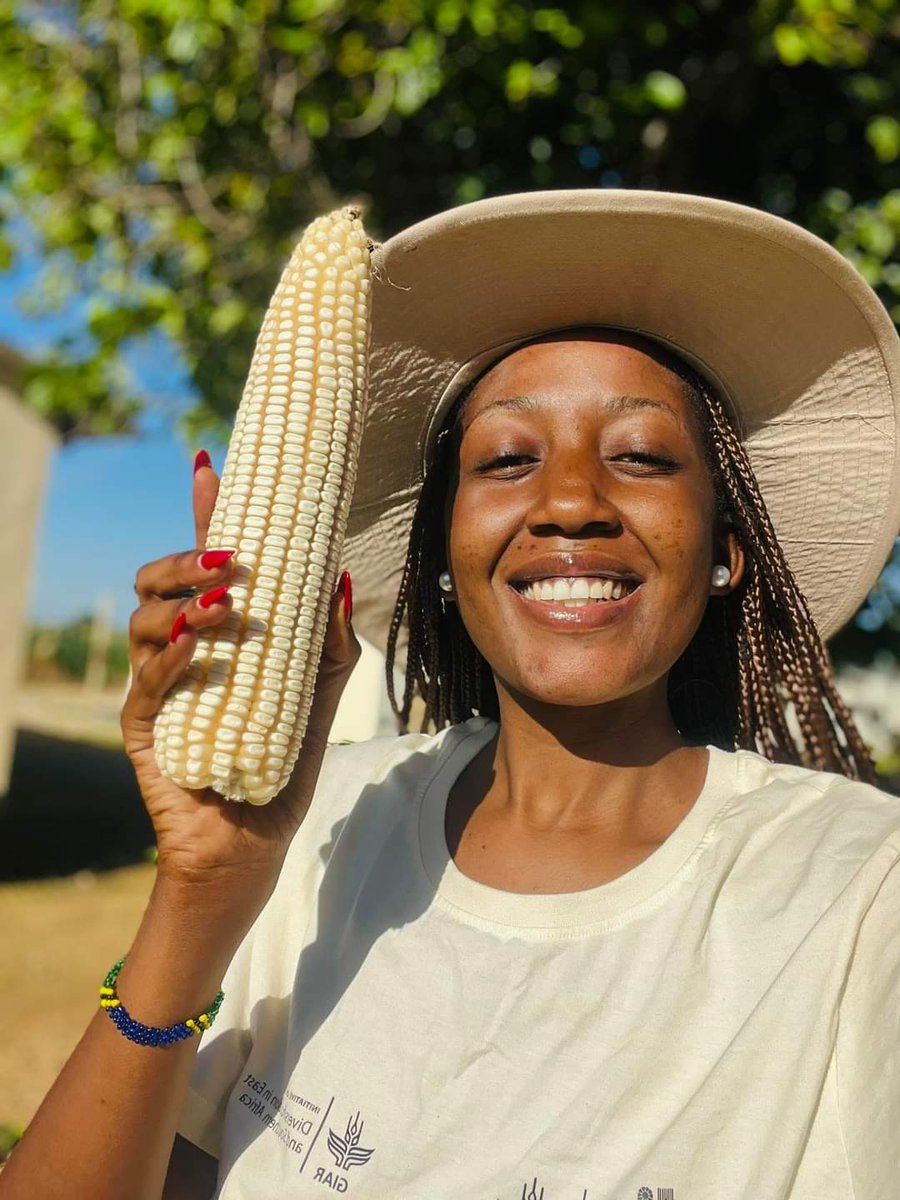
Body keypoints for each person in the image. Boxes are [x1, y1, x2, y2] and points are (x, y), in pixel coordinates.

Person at [2, 190, 899, 1200]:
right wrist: (200, 893)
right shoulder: (330, 824)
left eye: (642, 457)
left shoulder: (862, 898)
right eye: (508, 459)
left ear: (729, 552)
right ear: (445, 551)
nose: (569, 503)